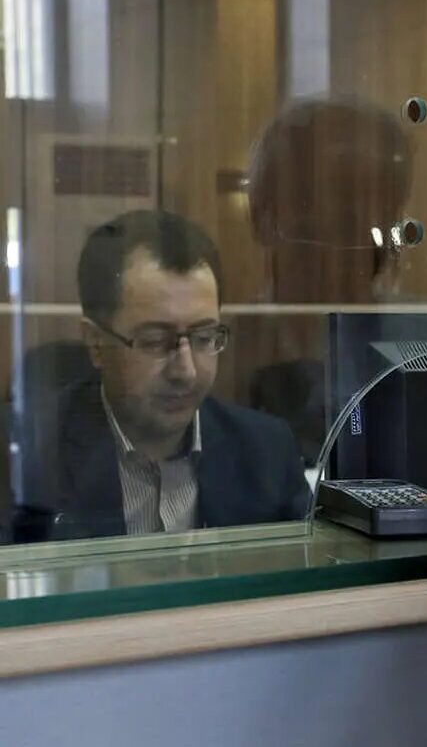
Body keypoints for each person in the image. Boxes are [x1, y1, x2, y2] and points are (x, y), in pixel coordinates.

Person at [9, 210, 309, 541]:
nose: (186, 371)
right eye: (154, 341)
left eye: (204, 338)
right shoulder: (25, 457)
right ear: (96, 343)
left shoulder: (267, 453)